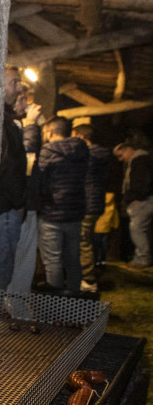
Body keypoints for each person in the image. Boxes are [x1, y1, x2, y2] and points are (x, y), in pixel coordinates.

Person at [37, 117, 88, 294]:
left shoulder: (47, 151)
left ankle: (55, 304)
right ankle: (74, 298)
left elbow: (41, 181)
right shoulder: (82, 150)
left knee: (53, 261)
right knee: (73, 258)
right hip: (75, 212)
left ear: (50, 132)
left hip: (51, 212)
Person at [0, 65, 28, 289]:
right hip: (4, 209)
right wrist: (17, 202)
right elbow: (9, 166)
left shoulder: (3, 117)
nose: (20, 87)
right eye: (14, 82)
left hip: (2, 206)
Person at [6, 89, 43, 298]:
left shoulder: (18, 126)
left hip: (25, 200)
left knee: (23, 258)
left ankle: (17, 301)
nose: (26, 104)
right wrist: (31, 126)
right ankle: (13, 304)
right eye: (21, 99)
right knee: (18, 258)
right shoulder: (17, 127)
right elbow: (26, 160)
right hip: (16, 202)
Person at [71, 124, 109, 292]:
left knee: (83, 241)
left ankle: (88, 280)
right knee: (88, 240)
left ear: (80, 136)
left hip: (86, 203)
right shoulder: (101, 155)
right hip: (96, 203)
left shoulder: (87, 156)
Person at [114, 138, 153, 269]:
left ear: (129, 150)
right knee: (141, 230)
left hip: (142, 201)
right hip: (143, 199)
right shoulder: (140, 160)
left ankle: (142, 259)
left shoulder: (140, 161)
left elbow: (142, 182)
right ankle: (141, 257)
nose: (120, 159)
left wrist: (135, 196)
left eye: (121, 155)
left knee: (137, 229)